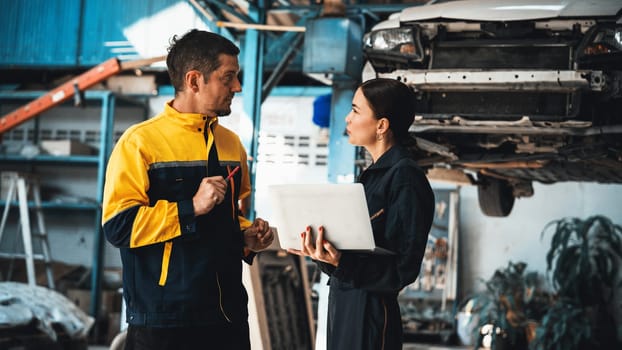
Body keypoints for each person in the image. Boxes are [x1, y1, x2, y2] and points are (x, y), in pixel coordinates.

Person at [102, 29, 274, 350]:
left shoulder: (231, 144)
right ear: (195, 81)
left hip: (227, 316)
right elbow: (119, 227)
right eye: (228, 77)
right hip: (165, 320)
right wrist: (190, 207)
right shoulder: (140, 143)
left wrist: (247, 237)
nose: (237, 87)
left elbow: (232, 217)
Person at [288, 78, 435, 349]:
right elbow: (353, 252)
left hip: (371, 314)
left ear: (382, 125)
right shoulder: (371, 176)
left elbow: (402, 270)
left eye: (356, 110)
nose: (347, 118)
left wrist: (342, 263)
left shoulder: (405, 178)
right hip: (345, 303)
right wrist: (322, 254)